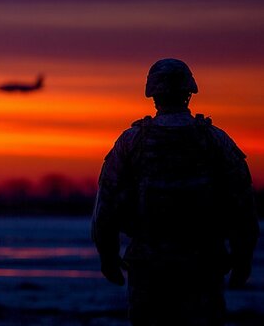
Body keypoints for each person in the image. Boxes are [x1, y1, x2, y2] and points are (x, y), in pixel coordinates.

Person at [91, 58, 259, 325]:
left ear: (152, 94)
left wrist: (107, 257)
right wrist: (243, 259)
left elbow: (106, 208)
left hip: (149, 270)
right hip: (202, 268)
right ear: (189, 92)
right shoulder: (216, 140)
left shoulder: (130, 142)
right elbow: (243, 207)